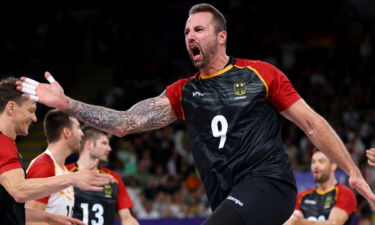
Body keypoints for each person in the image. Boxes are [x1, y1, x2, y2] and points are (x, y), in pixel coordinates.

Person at [16, 3, 375, 225]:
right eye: (186, 31)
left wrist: (353, 171)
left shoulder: (260, 74)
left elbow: (312, 124)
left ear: (220, 37)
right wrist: (67, 104)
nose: (190, 35)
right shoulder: (183, 92)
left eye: (198, 29)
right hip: (227, 194)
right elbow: (125, 123)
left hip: (269, 184)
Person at [0, 77, 114, 225]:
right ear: (11, 107)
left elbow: (8, 210)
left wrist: (50, 218)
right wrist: (73, 178)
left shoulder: (7, 144)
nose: (34, 118)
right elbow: (19, 191)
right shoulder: (4, 143)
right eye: (31, 110)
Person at [66, 125, 139, 225]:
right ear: (89, 144)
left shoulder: (113, 178)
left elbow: (127, 219)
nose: (109, 148)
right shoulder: (64, 173)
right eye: (104, 143)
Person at [25, 109, 83, 222]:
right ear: (66, 132)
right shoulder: (43, 166)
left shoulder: (64, 170)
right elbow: (31, 222)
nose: (82, 133)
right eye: (78, 127)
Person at [284, 148, 357, 225]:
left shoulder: (345, 193)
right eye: (313, 162)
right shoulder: (301, 196)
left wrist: (302, 223)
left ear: (333, 165)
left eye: (321, 162)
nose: (316, 166)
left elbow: (334, 223)